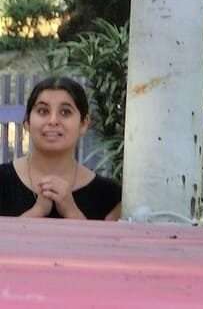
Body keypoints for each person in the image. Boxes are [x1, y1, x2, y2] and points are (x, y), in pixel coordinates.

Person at [0, 76, 122, 220]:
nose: (53, 121)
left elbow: (110, 236)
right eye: (43, 111)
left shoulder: (109, 196)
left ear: (83, 124)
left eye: (65, 112)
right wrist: (37, 212)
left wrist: (71, 212)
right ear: (27, 122)